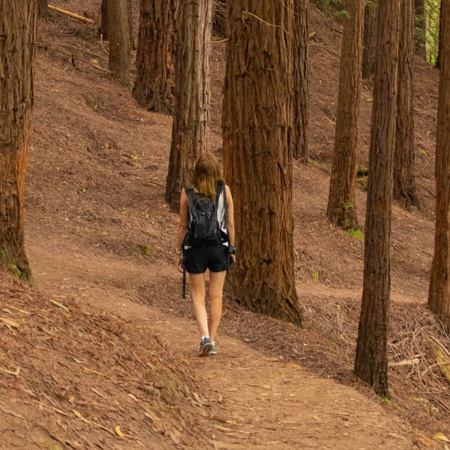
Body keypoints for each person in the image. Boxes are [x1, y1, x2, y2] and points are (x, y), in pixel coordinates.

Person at [176, 153, 235, 357]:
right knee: (216, 295)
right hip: (220, 247)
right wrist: (232, 248)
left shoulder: (187, 192)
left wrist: (179, 250)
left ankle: (204, 338)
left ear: (197, 171)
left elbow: (183, 225)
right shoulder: (225, 191)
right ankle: (213, 339)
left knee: (198, 296)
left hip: (195, 248)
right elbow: (230, 224)